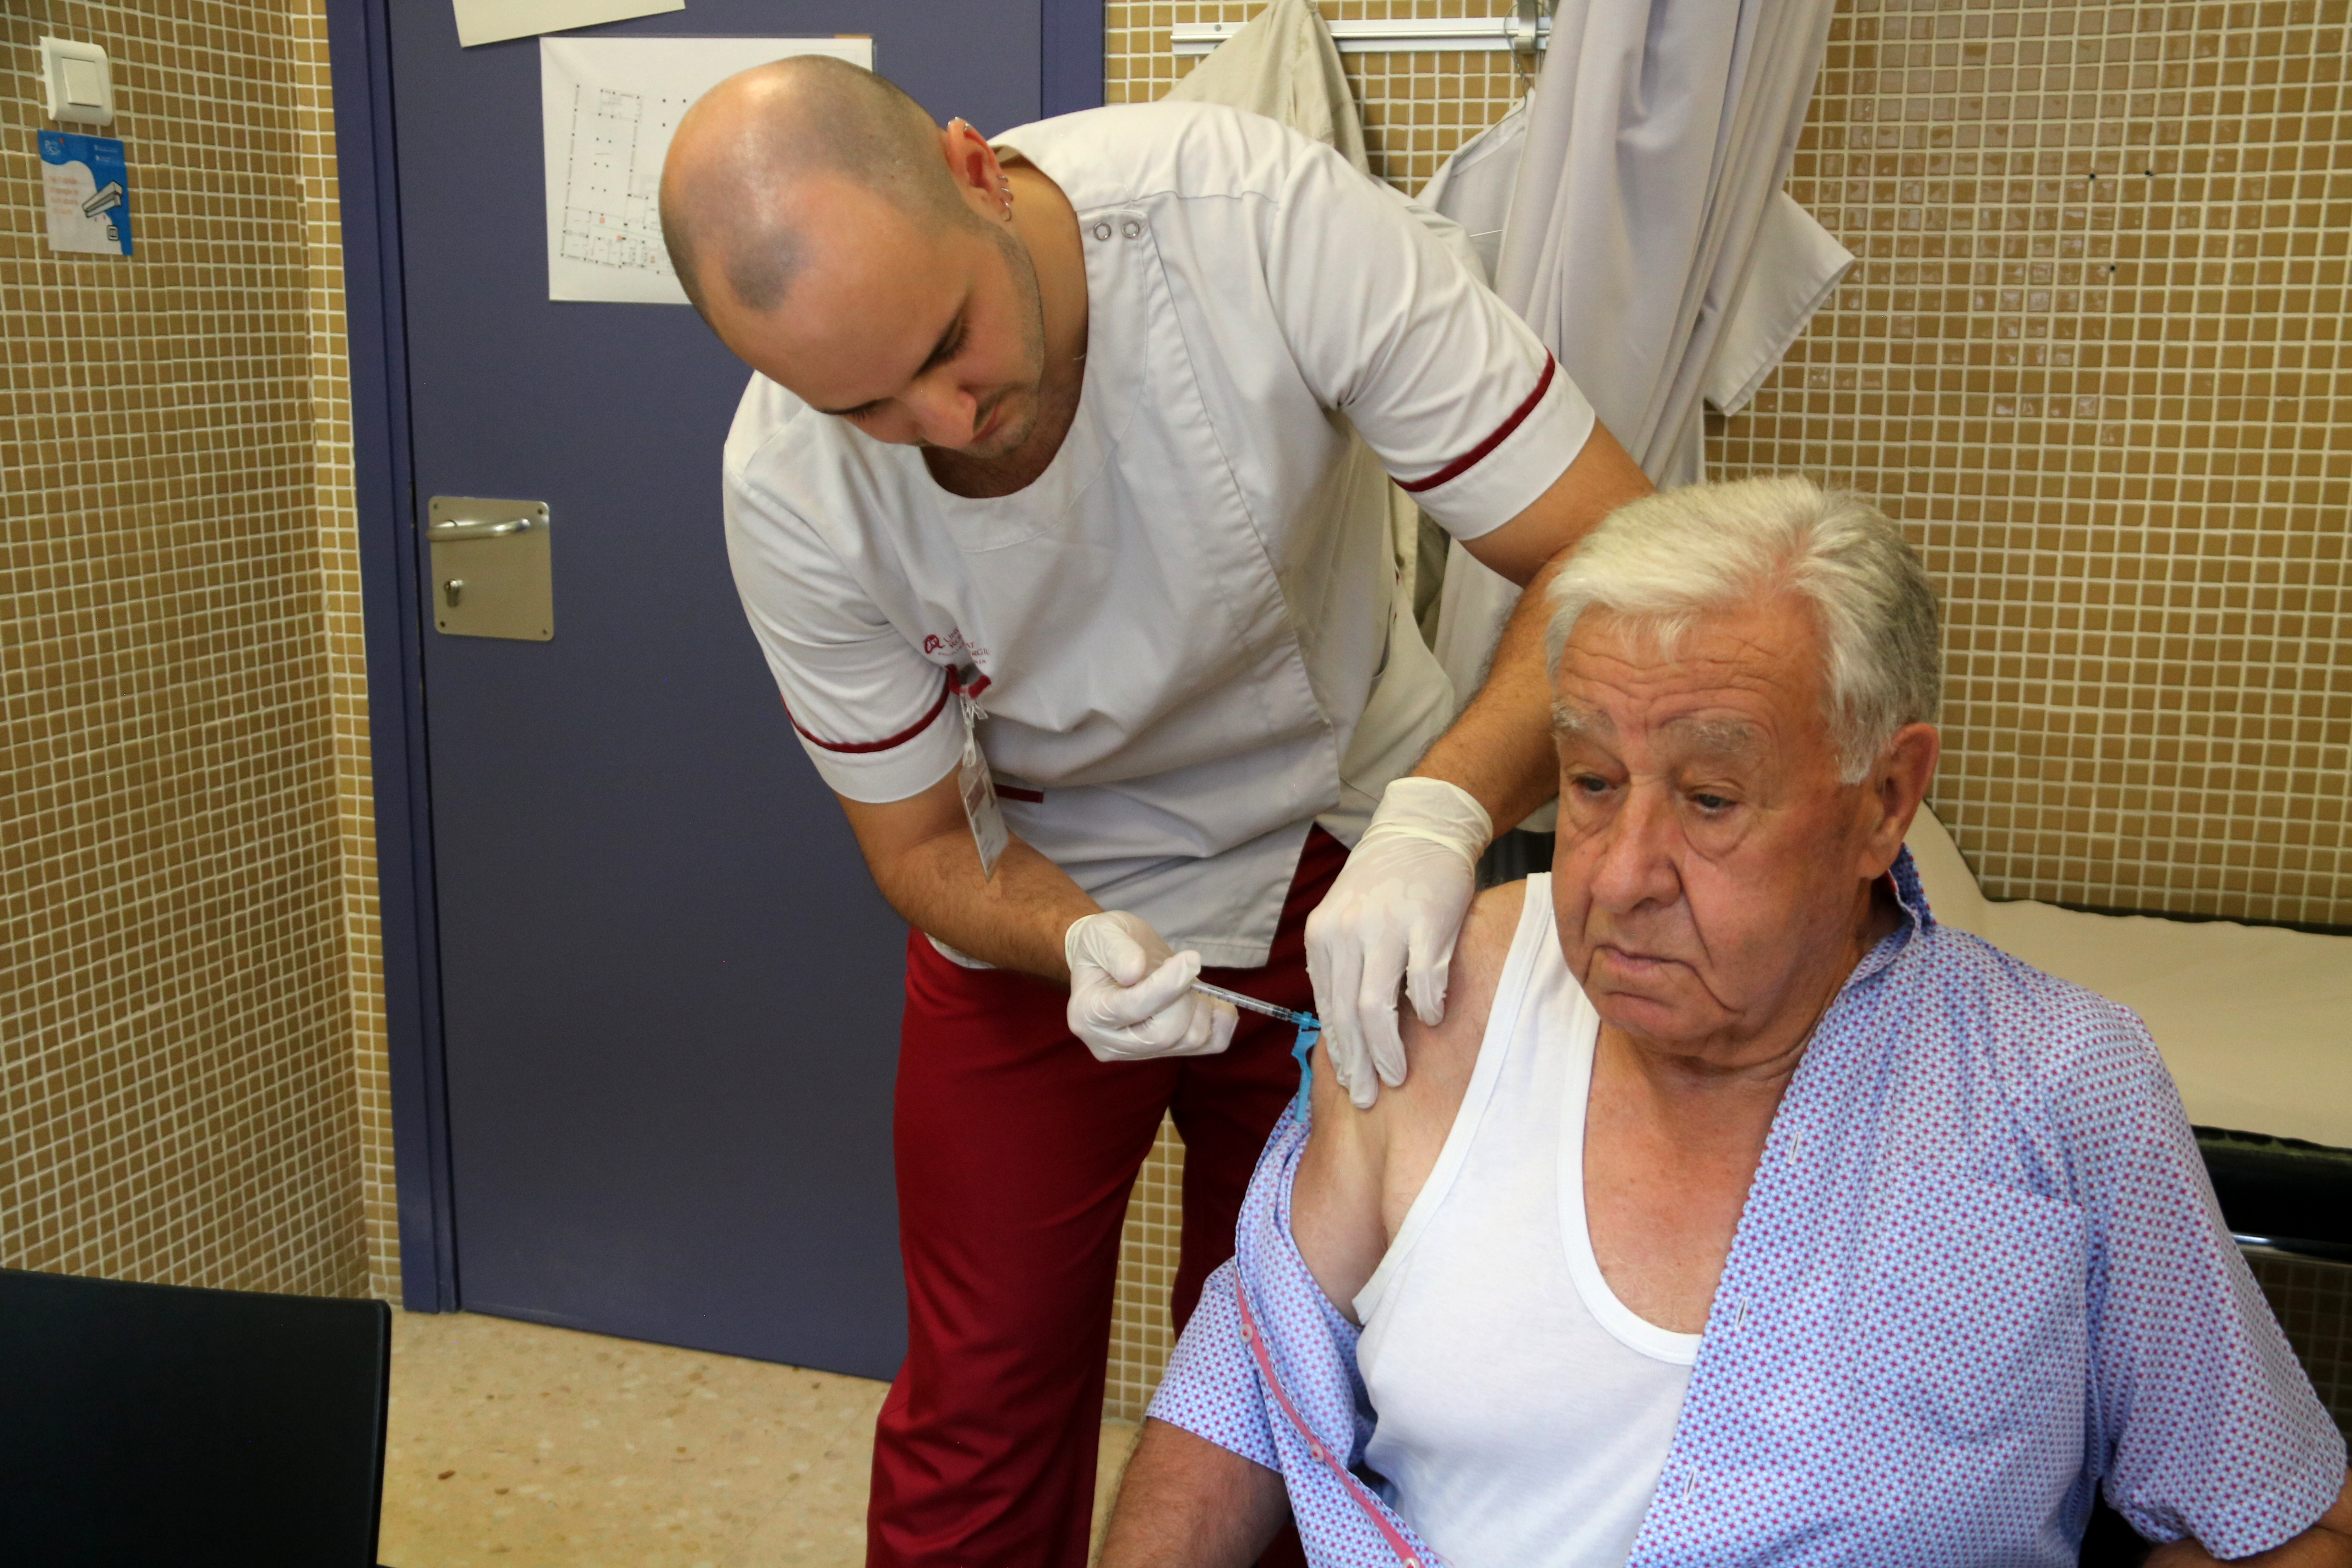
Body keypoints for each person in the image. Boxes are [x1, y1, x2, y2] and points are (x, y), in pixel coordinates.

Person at [657, 57, 1651, 1566]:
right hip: (1043, 891)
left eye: (949, 341)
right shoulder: (790, 493)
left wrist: (1444, 819)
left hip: (1343, 838)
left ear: (976, 172)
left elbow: (1608, 553)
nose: (947, 417)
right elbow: (922, 848)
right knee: (978, 1391)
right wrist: (1074, 943)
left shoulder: (1254, 223)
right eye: (867, 402)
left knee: (1289, 1366)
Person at [1102, 476, 2352, 1567]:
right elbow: (1244, 1389)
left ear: (1885, 802)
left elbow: (2286, 1525)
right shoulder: (1452, 996)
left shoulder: (2053, 1089)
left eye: (1709, 797)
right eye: (1591, 782)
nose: (1621, 871)